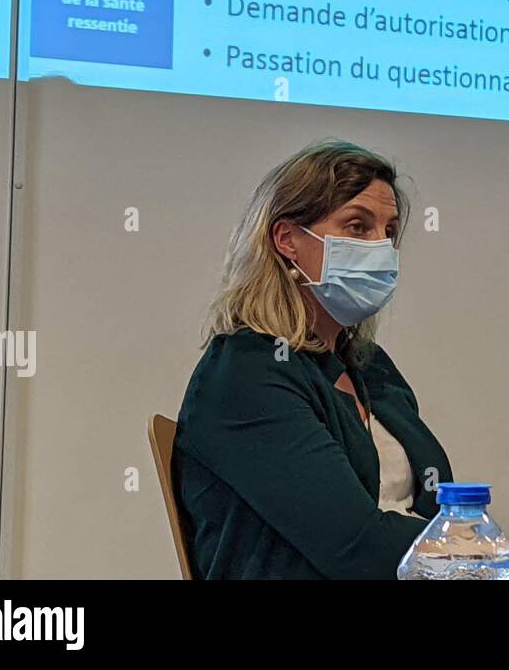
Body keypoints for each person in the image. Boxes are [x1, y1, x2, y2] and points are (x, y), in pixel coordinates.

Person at [173, 139, 452, 579]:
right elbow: (354, 545)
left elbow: (440, 504)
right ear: (287, 240)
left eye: (390, 232)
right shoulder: (246, 372)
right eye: (359, 227)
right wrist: (479, 557)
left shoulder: (371, 367)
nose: (381, 247)